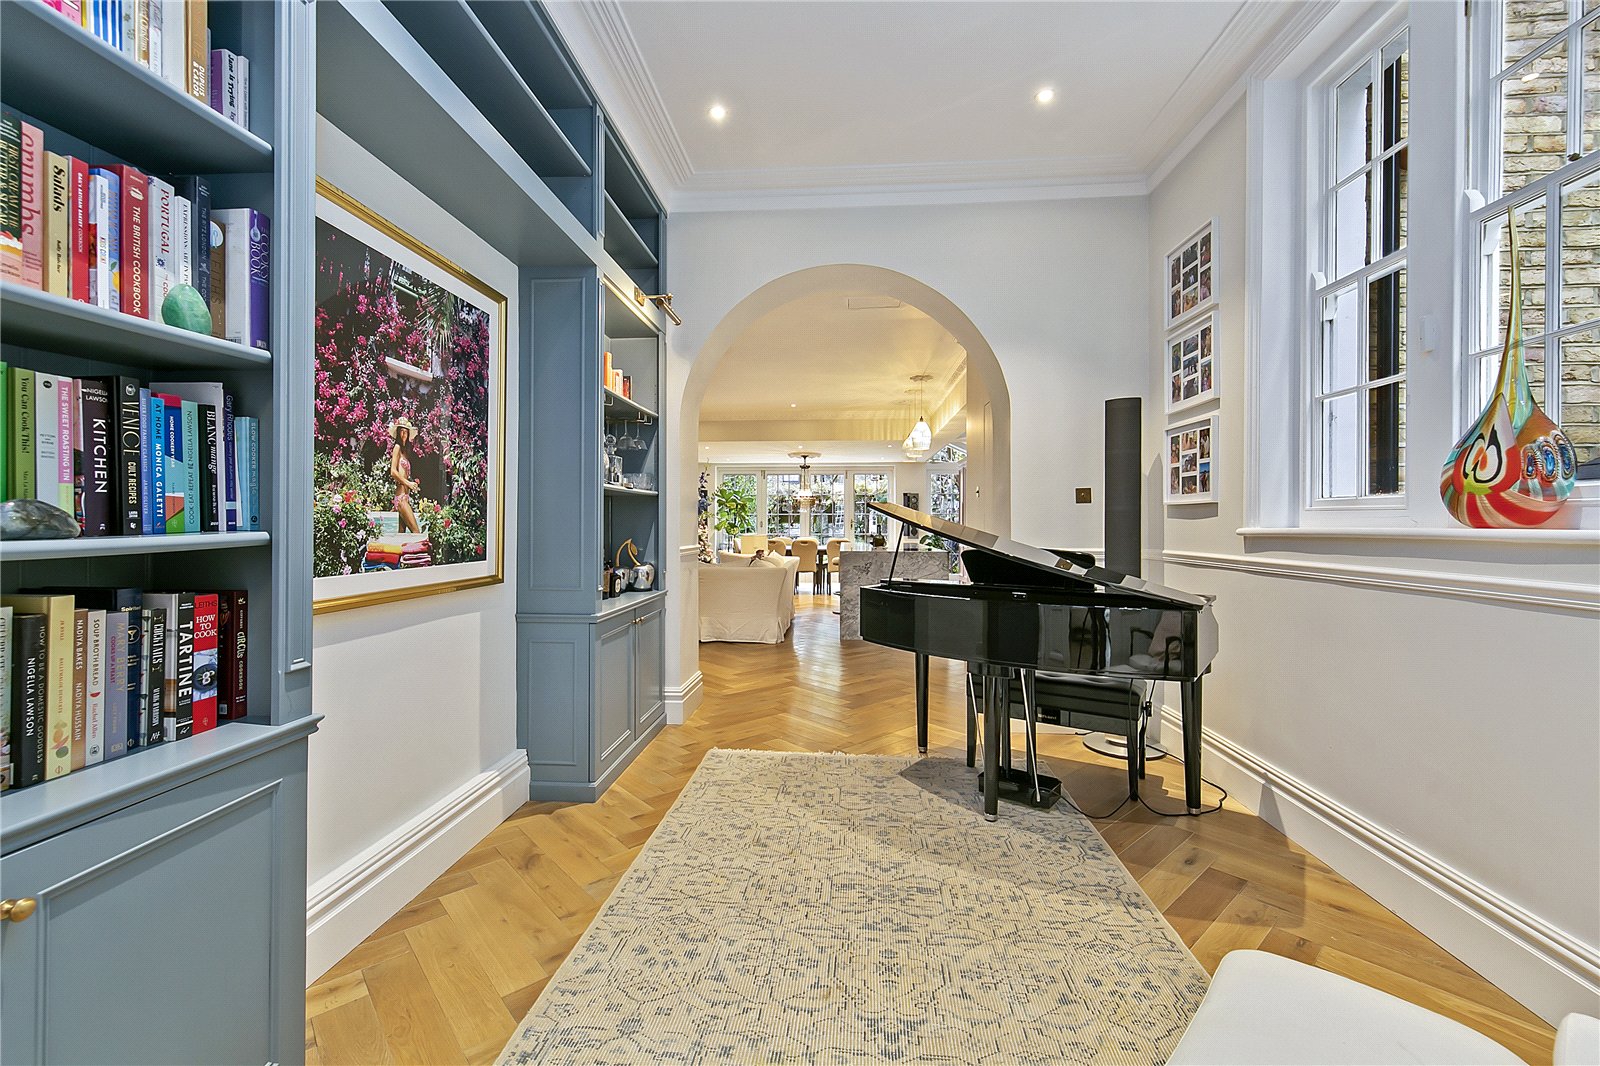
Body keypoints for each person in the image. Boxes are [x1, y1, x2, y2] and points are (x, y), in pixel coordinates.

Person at [390, 416, 422, 534]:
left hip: (405, 497)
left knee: (401, 534)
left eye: (406, 432)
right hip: (401, 498)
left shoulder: (405, 452)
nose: (404, 434)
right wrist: (408, 483)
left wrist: (411, 484)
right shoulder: (397, 448)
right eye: (401, 432)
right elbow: (393, 472)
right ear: (398, 433)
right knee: (416, 533)